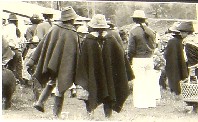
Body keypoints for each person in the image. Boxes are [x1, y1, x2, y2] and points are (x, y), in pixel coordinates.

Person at [75, 14, 131, 118]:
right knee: (109, 91)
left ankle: (90, 114)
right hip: (108, 74)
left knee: (91, 90)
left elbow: (83, 60)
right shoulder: (110, 39)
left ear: (92, 27)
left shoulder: (89, 40)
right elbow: (121, 56)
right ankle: (108, 116)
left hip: (94, 74)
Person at [29, 6, 79, 118]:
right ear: (71, 19)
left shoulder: (54, 28)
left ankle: (40, 102)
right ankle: (56, 114)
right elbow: (75, 52)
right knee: (61, 85)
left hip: (52, 62)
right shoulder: (72, 33)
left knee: (52, 81)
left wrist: (33, 59)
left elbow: (42, 44)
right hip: (65, 65)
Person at [127, 10, 159, 108]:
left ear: (134, 20)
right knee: (149, 80)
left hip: (138, 58)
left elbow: (131, 48)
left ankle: (140, 103)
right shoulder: (150, 30)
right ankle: (150, 102)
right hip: (149, 58)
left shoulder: (133, 32)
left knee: (139, 81)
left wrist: (129, 58)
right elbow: (155, 44)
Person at [164, 22, 188, 97]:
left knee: (174, 75)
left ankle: (175, 91)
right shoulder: (182, 41)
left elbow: (166, 55)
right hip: (183, 64)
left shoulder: (171, 41)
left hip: (172, 64)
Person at [3, 13, 24, 85]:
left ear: (9, 21)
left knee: (7, 69)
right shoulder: (17, 29)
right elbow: (21, 40)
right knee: (16, 68)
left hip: (9, 50)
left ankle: (7, 83)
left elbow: (4, 39)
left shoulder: (6, 28)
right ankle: (18, 82)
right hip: (17, 50)